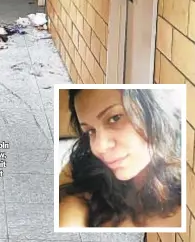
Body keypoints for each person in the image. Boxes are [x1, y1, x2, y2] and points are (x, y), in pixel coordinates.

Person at [59, 88, 182, 228]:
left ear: (154, 110)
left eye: (115, 118)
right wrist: (72, 207)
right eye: (91, 131)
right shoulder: (85, 164)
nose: (99, 146)